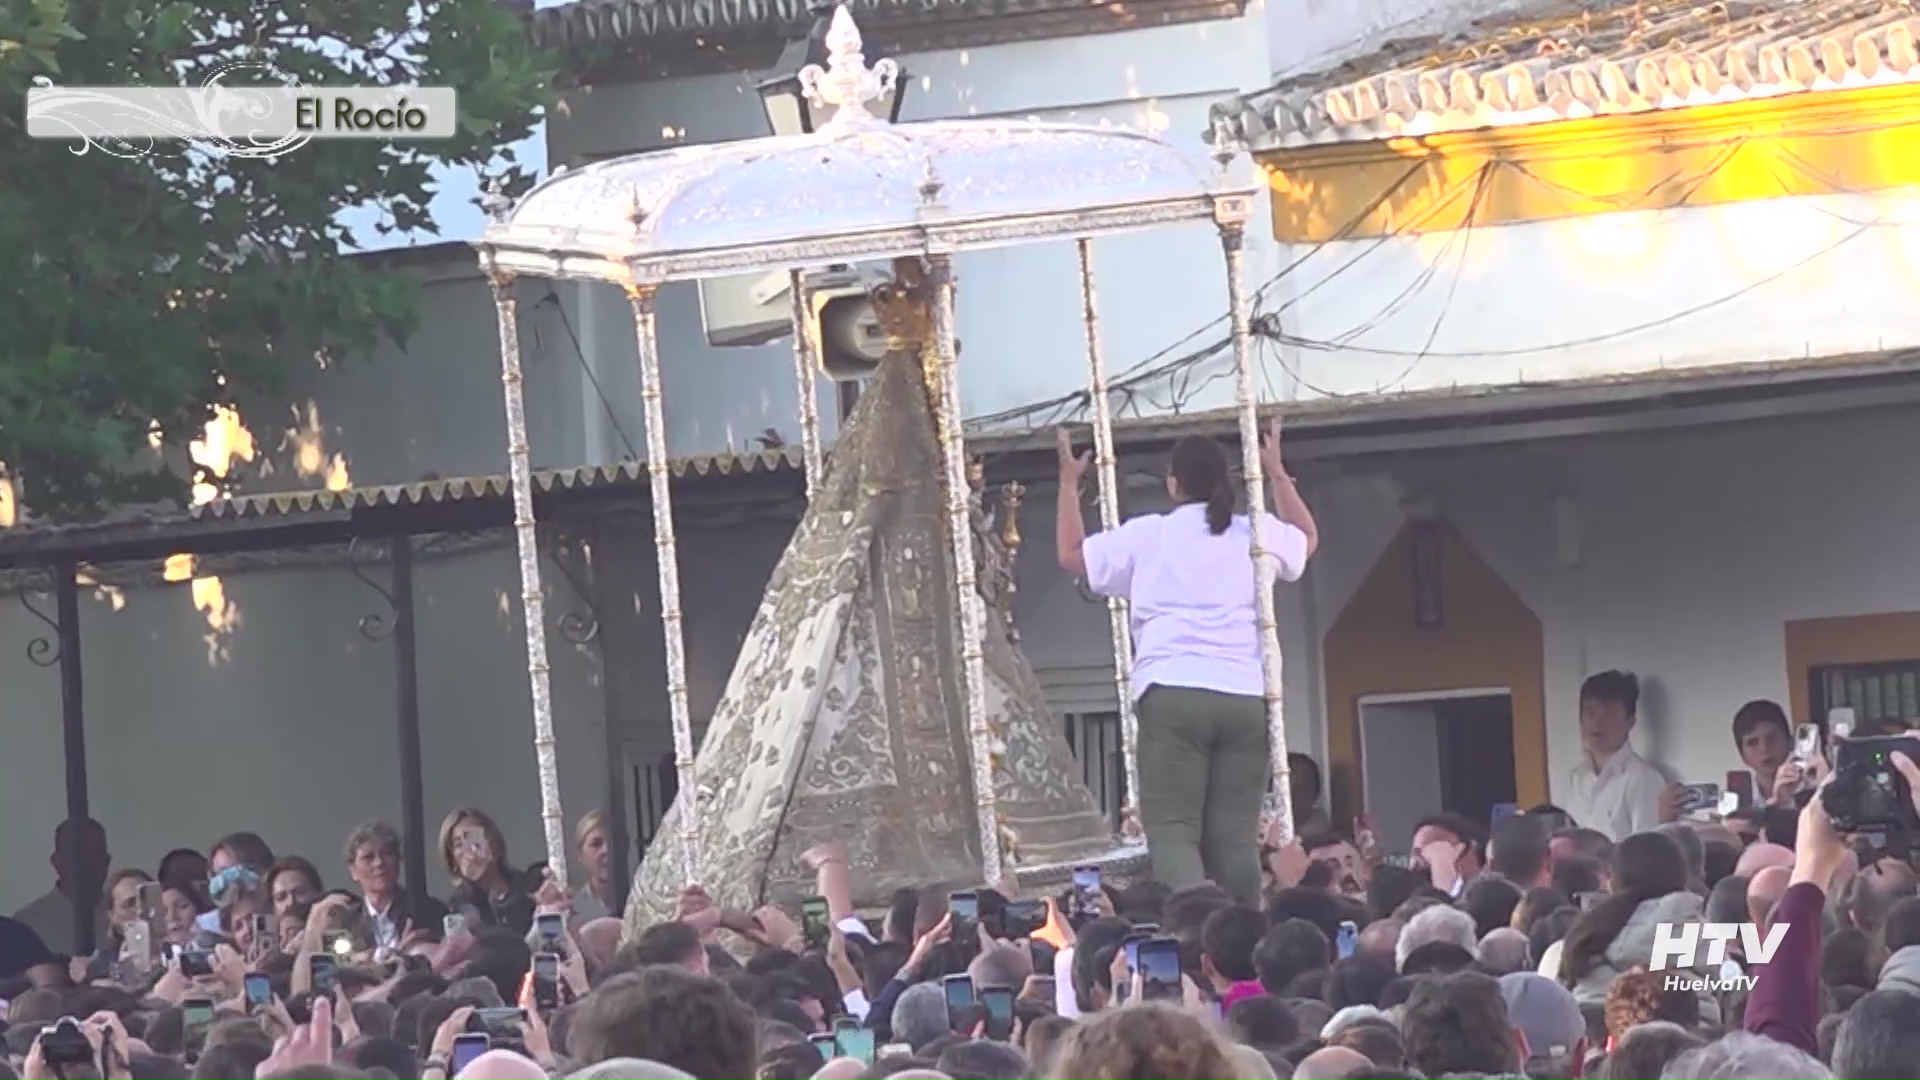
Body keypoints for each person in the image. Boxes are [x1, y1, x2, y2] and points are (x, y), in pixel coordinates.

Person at [1055, 417, 1318, 902]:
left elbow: (1072, 554)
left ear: (1173, 484)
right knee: (1234, 839)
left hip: (1174, 690)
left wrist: (1069, 484)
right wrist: (1276, 472)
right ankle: (1245, 939)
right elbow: (1307, 540)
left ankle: (1197, 936)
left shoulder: (1150, 534)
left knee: (1175, 833)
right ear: (1226, 481)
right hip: (1245, 694)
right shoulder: (1253, 532)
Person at [1563, 671, 1666, 841]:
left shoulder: (1643, 779)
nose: (1597, 723)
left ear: (1630, 721)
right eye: (1590, 713)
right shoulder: (1576, 777)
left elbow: (1645, 853)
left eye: (1609, 715)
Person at [12, 816, 111, 956]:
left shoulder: (123, 919)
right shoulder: (28, 925)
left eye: (95, 854)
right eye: (77, 855)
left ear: (107, 861)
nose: (87, 863)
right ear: (56, 861)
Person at [344, 820, 447, 950]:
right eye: (368, 857)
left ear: (398, 861)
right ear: (353, 871)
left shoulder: (430, 911)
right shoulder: (346, 924)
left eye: (386, 854)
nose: (379, 863)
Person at [440, 807, 536, 934]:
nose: (470, 849)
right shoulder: (455, 909)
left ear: (495, 843)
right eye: (459, 844)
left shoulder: (529, 886)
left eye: (475, 838)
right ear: (452, 860)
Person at [1732, 700, 1795, 808]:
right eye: (1752, 743)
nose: (1764, 748)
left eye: (1772, 738)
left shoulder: (1813, 791)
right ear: (1742, 754)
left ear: (1789, 741)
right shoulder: (1736, 801)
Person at [573, 810, 616, 921]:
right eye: (596, 844)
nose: (606, 850)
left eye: (613, 842)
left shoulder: (645, 901)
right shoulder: (573, 910)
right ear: (580, 856)